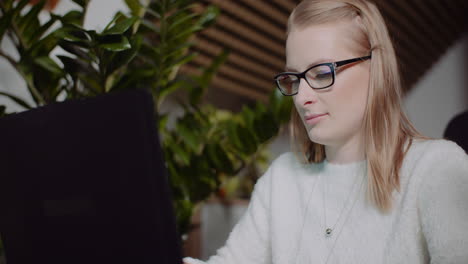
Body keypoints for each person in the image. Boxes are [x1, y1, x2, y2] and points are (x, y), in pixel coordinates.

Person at [184, 0, 468, 263]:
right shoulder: (282, 179)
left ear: (375, 68)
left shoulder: (436, 168)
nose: (300, 97)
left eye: (320, 73)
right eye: (294, 78)